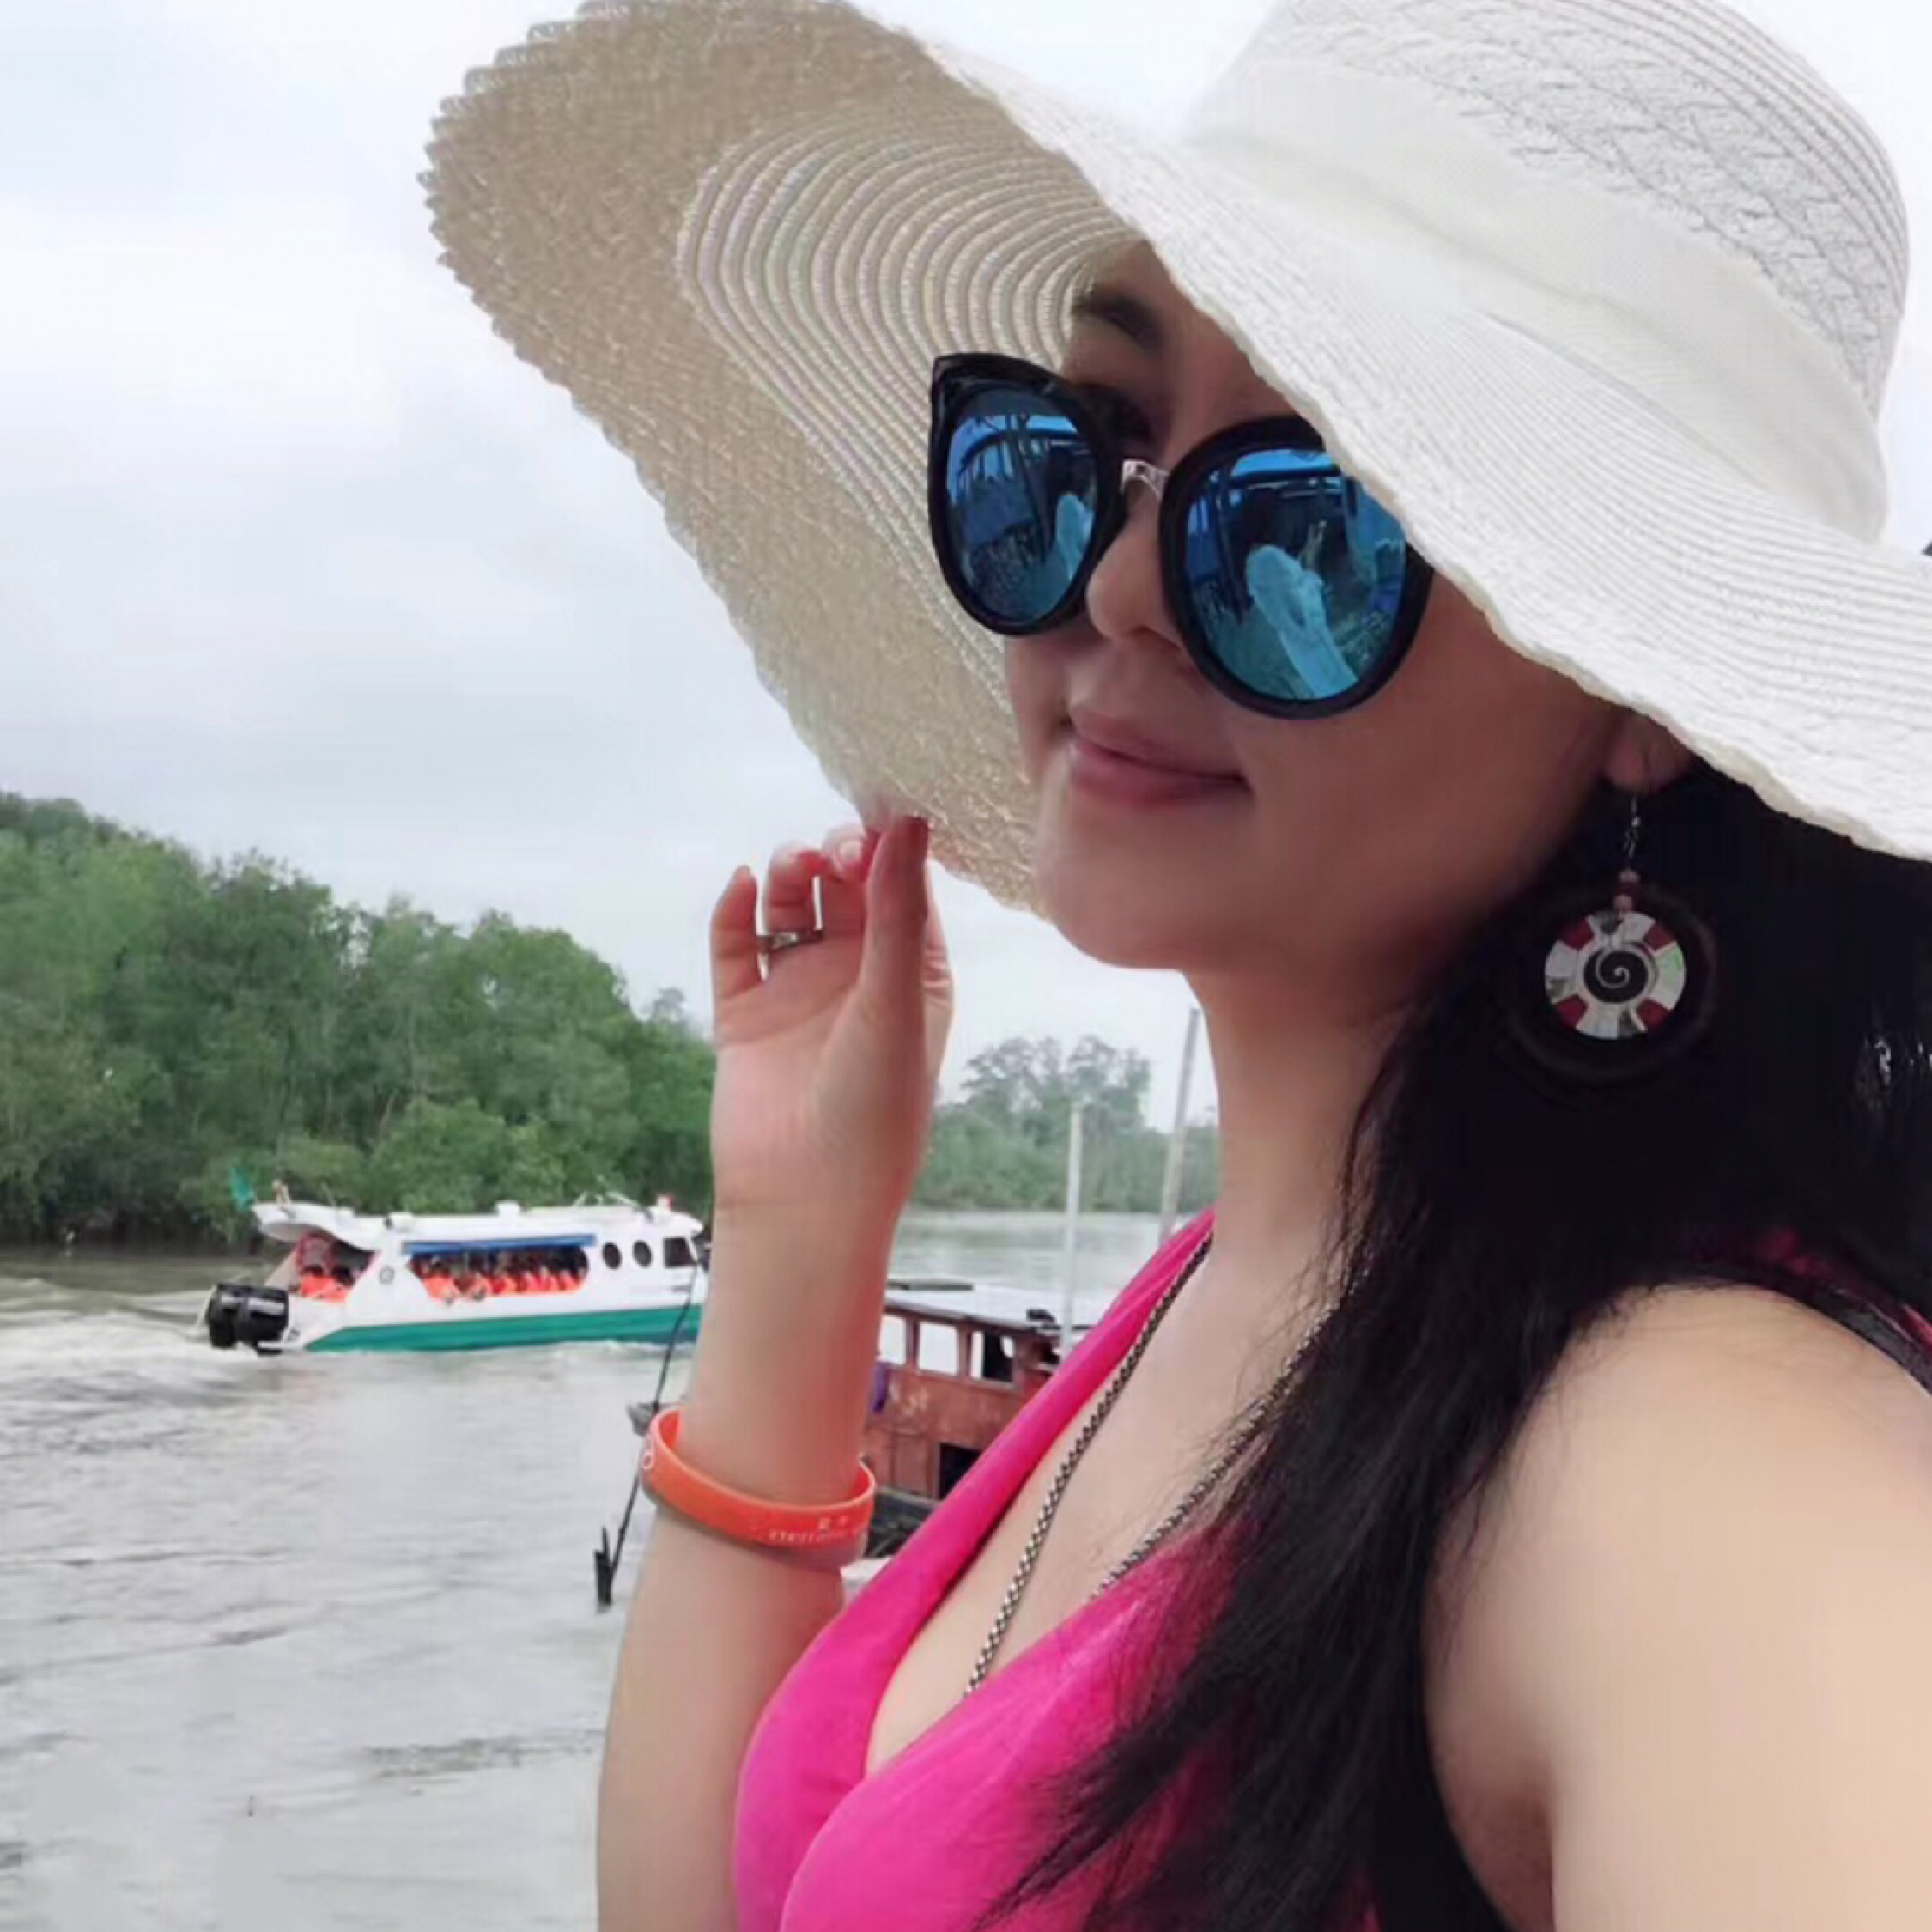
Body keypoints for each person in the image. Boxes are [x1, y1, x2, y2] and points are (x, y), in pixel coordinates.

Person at [426, 3, 1932, 1929]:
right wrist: (799, 1236)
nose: (1119, 584)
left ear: (1635, 692)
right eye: (1083, 456)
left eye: (1313, 518)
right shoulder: (1219, 1295)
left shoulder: (1709, 1462)